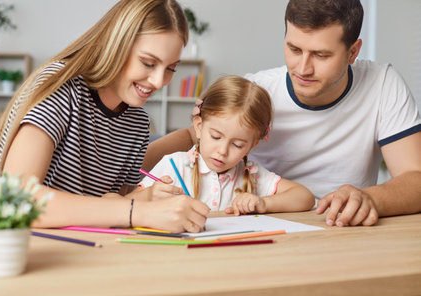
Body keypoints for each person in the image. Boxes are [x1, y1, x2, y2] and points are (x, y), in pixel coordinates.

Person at [143, 0, 421, 227]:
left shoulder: (383, 83)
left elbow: (415, 178)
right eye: (294, 49)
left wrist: (371, 198)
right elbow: (193, 136)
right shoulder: (257, 92)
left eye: (321, 55)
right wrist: (126, 167)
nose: (303, 68)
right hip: (263, 226)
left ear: (353, 52)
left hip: (340, 228)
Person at [0, 0, 210, 233]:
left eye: (171, 68)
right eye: (148, 63)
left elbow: (108, 204)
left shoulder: (137, 123)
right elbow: (18, 200)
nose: (159, 81)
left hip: (71, 249)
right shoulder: (61, 87)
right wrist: (138, 211)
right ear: (117, 45)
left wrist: (142, 198)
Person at [139, 76, 314, 215]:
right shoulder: (174, 165)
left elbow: (304, 197)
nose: (222, 151)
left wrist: (263, 203)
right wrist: (151, 198)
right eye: (215, 137)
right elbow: (133, 202)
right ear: (199, 127)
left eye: (237, 145)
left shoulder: (251, 174)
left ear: (253, 144)